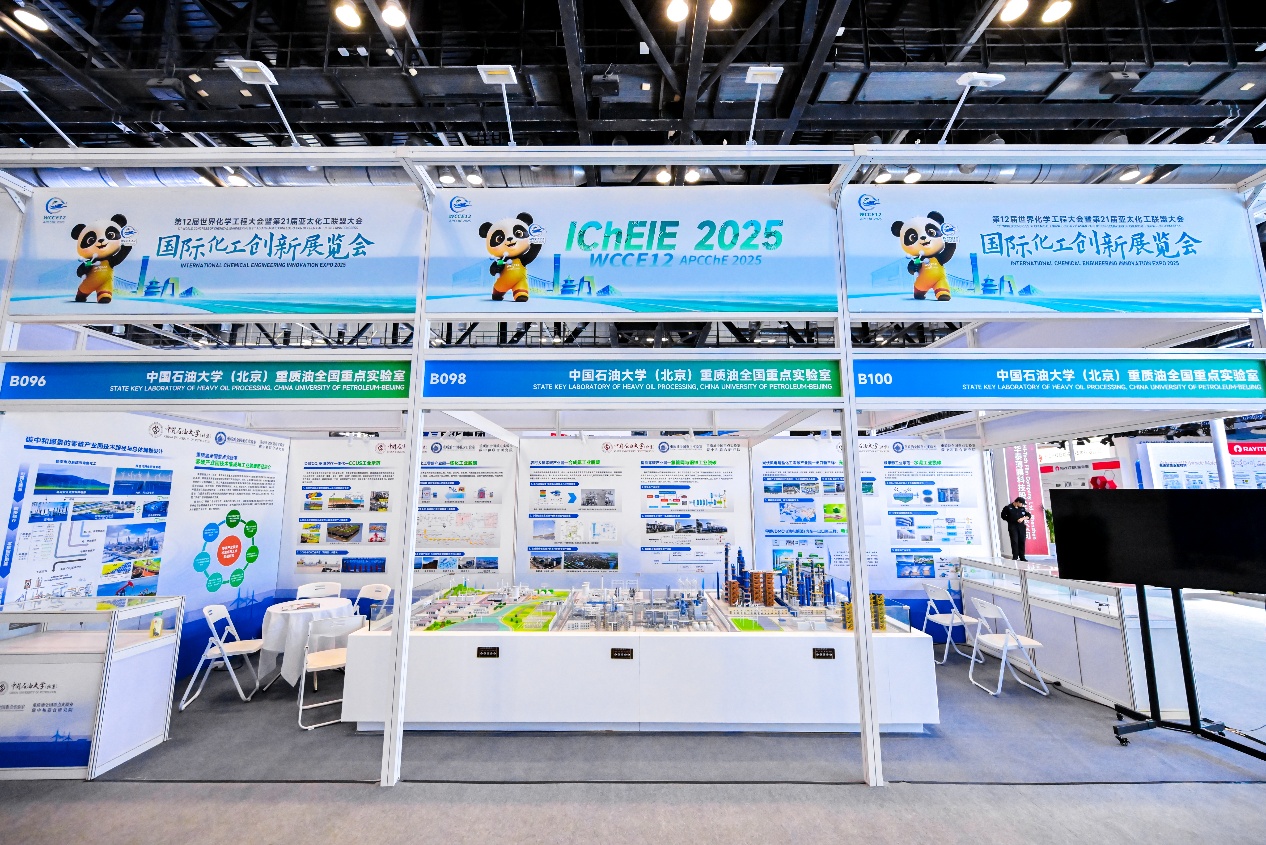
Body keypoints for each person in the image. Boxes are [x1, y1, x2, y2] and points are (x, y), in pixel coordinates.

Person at [1000, 497, 1032, 562]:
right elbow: (1003, 516)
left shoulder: (1022, 509)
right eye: (1022, 503)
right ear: (1018, 502)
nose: (1022, 505)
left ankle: (1022, 557)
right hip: (1013, 527)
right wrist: (1010, 520)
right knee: (1014, 541)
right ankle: (1015, 556)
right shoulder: (1008, 507)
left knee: (1022, 541)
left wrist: (1022, 519)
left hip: (1021, 527)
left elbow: (1029, 515)